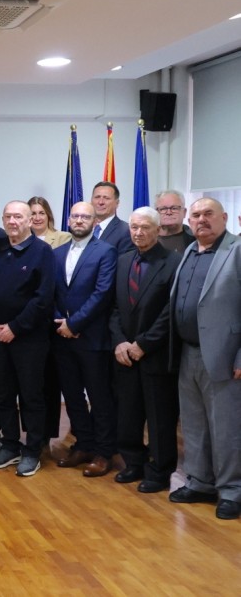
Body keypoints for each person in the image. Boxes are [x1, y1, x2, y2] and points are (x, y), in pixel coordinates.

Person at [169, 197, 241, 520]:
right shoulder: (190, 251)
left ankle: (232, 490)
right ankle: (200, 482)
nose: (202, 220)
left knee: (226, 428)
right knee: (194, 424)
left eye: (208, 214)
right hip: (188, 352)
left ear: (224, 217)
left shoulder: (236, 251)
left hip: (224, 356)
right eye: (196, 215)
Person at [0, 201, 55, 477]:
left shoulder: (43, 252)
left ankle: (32, 450)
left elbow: (43, 298)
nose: (12, 221)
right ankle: (10, 444)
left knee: (31, 396)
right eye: (8, 216)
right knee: (3, 394)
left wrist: (15, 327)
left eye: (18, 216)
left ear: (30, 220)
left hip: (29, 338)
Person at [109, 207, 180, 494]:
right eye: (134, 227)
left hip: (156, 354)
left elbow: (170, 312)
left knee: (160, 417)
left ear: (158, 229)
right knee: (128, 414)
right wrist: (119, 342)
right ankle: (133, 463)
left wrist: (143, 344)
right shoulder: (124, 260)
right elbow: (114, 307)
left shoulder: (173, 262)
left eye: (145, 227)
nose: (138, 233)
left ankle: (160, 470)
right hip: (125, 353)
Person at [51, 202, 118, 477]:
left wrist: (74, 324)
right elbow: (51, 292)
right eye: (75, 216)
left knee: (99, 398)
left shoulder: (105, 251)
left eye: (85, 217)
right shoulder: (56, 253)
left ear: (94, 221)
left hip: (92, 337)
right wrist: (61, 322)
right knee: (73, 397)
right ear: (69, 220)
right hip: (61, 337)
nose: (79, 220)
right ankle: (83, 445)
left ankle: (103, 452)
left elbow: (102, 293)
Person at [27, 195, 72, 446]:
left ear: (49, 215)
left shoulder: (63, 239)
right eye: (32, 213)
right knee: (32, 380)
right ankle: (33, 432)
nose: (36, 217)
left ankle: (47, 433)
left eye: (41, 213)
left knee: (51, 380)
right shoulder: (19, 240)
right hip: (28, 320)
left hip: (54, 318)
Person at [90, 182, 132, 254]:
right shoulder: (83, 227)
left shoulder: (126, 231)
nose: (100, 202)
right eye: (97, 197)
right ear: (91, 200)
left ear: (117, 203)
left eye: (106, 198)